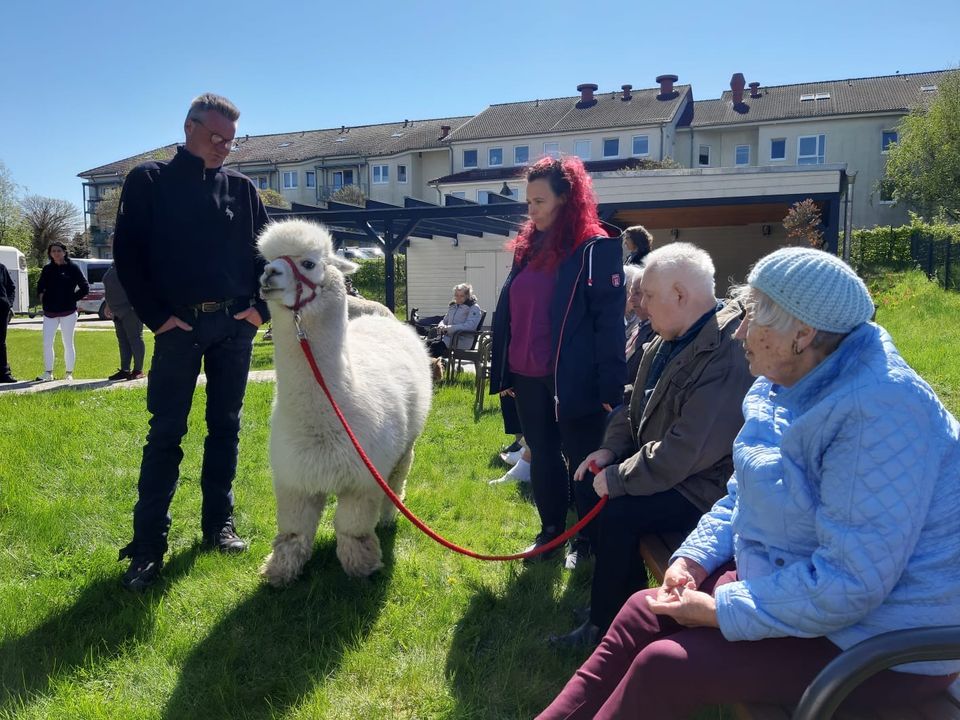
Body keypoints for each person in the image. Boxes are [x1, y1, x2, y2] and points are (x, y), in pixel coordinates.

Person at [538, 247, 960, 719]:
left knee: (665, 666)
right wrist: (691, 562)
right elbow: (741, 494)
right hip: (802, 592)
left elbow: (851, 585)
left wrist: (720, 610)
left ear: (802, 334)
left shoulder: (877, 413)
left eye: (753, 315)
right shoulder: (783, 382)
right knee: (644, 609)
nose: (738, 330)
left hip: (883, 646)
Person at [549, 242, 753, 648]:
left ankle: (606, 627)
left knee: (621, 512)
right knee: (606, 497)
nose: (638, 303)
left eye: (648, 295)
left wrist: (618, 478)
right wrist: (609, 451)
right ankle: (620, 607)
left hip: (704, 489)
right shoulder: (667, 338)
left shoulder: (726, 351)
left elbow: (685, 451)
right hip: (671, 471)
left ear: (680, 295)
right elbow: (631, 405)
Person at [113, 93, 270, 591]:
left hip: (233, 329)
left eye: (231, 140)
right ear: (188, 126)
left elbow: (271, 254)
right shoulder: (149, 181)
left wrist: (259, 312)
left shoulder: (243, 189)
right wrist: (158, 318)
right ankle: (147, 545)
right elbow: (128, 255)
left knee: (225, 427)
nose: (224, 147)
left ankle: (217, 526)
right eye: (215, 137)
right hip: (177, 328)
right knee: (165, 433)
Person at [489, 156, 625, 570]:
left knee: (582, 459)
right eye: (528, 202)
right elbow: (511, 308)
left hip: (574, 379)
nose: (531, 211)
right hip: (527, 374)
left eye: (540, 201)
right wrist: (507, 370)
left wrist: (609, 386)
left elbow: (609, 322)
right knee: (544, 455)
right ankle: (550, 532)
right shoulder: (527, 247)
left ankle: (584, 540)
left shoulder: (594, 247)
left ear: (566, 199)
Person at [35, 242, 89, 382]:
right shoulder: (47, 269)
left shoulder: (73, 268)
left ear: (64, 252)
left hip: (68, 312)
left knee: (68, 342)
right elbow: (40, 285)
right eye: (53, 251)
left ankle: (69, 373)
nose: (56, 253)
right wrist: (41, 295)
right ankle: (48, 373)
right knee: (47, 342)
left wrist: (72, 299)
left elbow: (85, 287)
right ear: (50, 253)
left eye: (59, 251)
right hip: (50, 312)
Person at [102, 265, 145, 381]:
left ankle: (138, 370)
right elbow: (109, 288)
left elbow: (140, 286)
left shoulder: (132, 265)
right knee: (122, 340)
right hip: (116, 310)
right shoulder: (112, 266)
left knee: (135, 339)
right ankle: (125, 370)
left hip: (130, 309)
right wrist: (107, 304)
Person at [427, 283, 483, 358]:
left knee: (433, 348)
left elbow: (470, 326)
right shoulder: (454, 306)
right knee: (425, 344)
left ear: (467, 296)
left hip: (461, 340)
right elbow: (444, 320)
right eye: (456, 295)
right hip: (447, 339)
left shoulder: (474, 308)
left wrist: (449, 328)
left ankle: (434, 367)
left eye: (461, 296)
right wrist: (441, 326)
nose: (458, 298)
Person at [622, 264, 654, 386]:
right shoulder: (639, 326)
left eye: (637, 293)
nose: (630, 299)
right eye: (630, 293)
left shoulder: (659, 332)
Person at [0, 261, 16, 383]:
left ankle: (4, 373)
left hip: (1, 309)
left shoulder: (2, 268)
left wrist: (8, 304)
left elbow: (11, 287)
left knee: (1, 342)